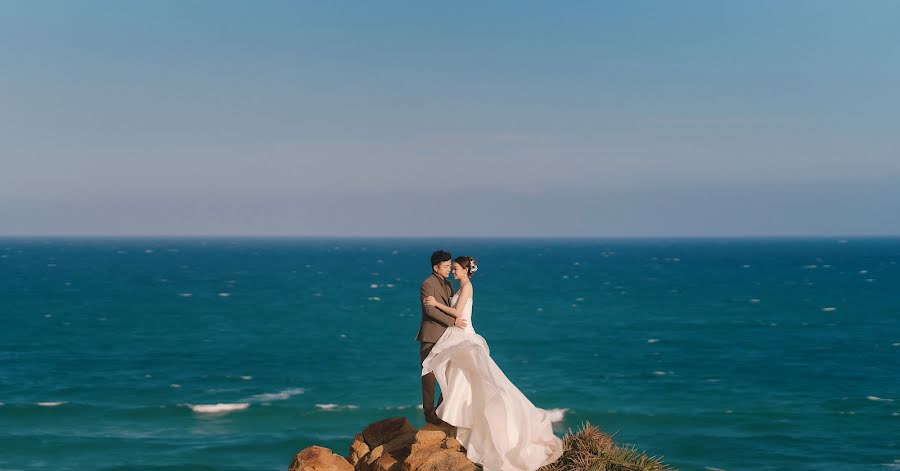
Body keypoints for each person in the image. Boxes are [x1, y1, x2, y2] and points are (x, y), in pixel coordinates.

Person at [421, 256, 563, 471]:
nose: (453, 271)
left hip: (463, 335)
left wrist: (436, 303)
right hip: (456, 334)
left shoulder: (467, 287)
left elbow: (459, 313)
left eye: (457, 268)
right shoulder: (456, 286)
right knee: (459, 376)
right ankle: (456, 417)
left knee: (470, 378)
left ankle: (465, 420)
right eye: (452, 268)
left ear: (467, 270)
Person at [416, 250, 469, 425]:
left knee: (450, 375)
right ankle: (429, 414)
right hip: (431, 337)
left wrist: (453, 323)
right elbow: (429, 311)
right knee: (429, 377)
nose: (449, 269)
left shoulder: (448, 284)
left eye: (450, 266)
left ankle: (442, 411)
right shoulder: (427, 284)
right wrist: (453, 322)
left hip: (448, 338)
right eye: (446, 266)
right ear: (435, 267)